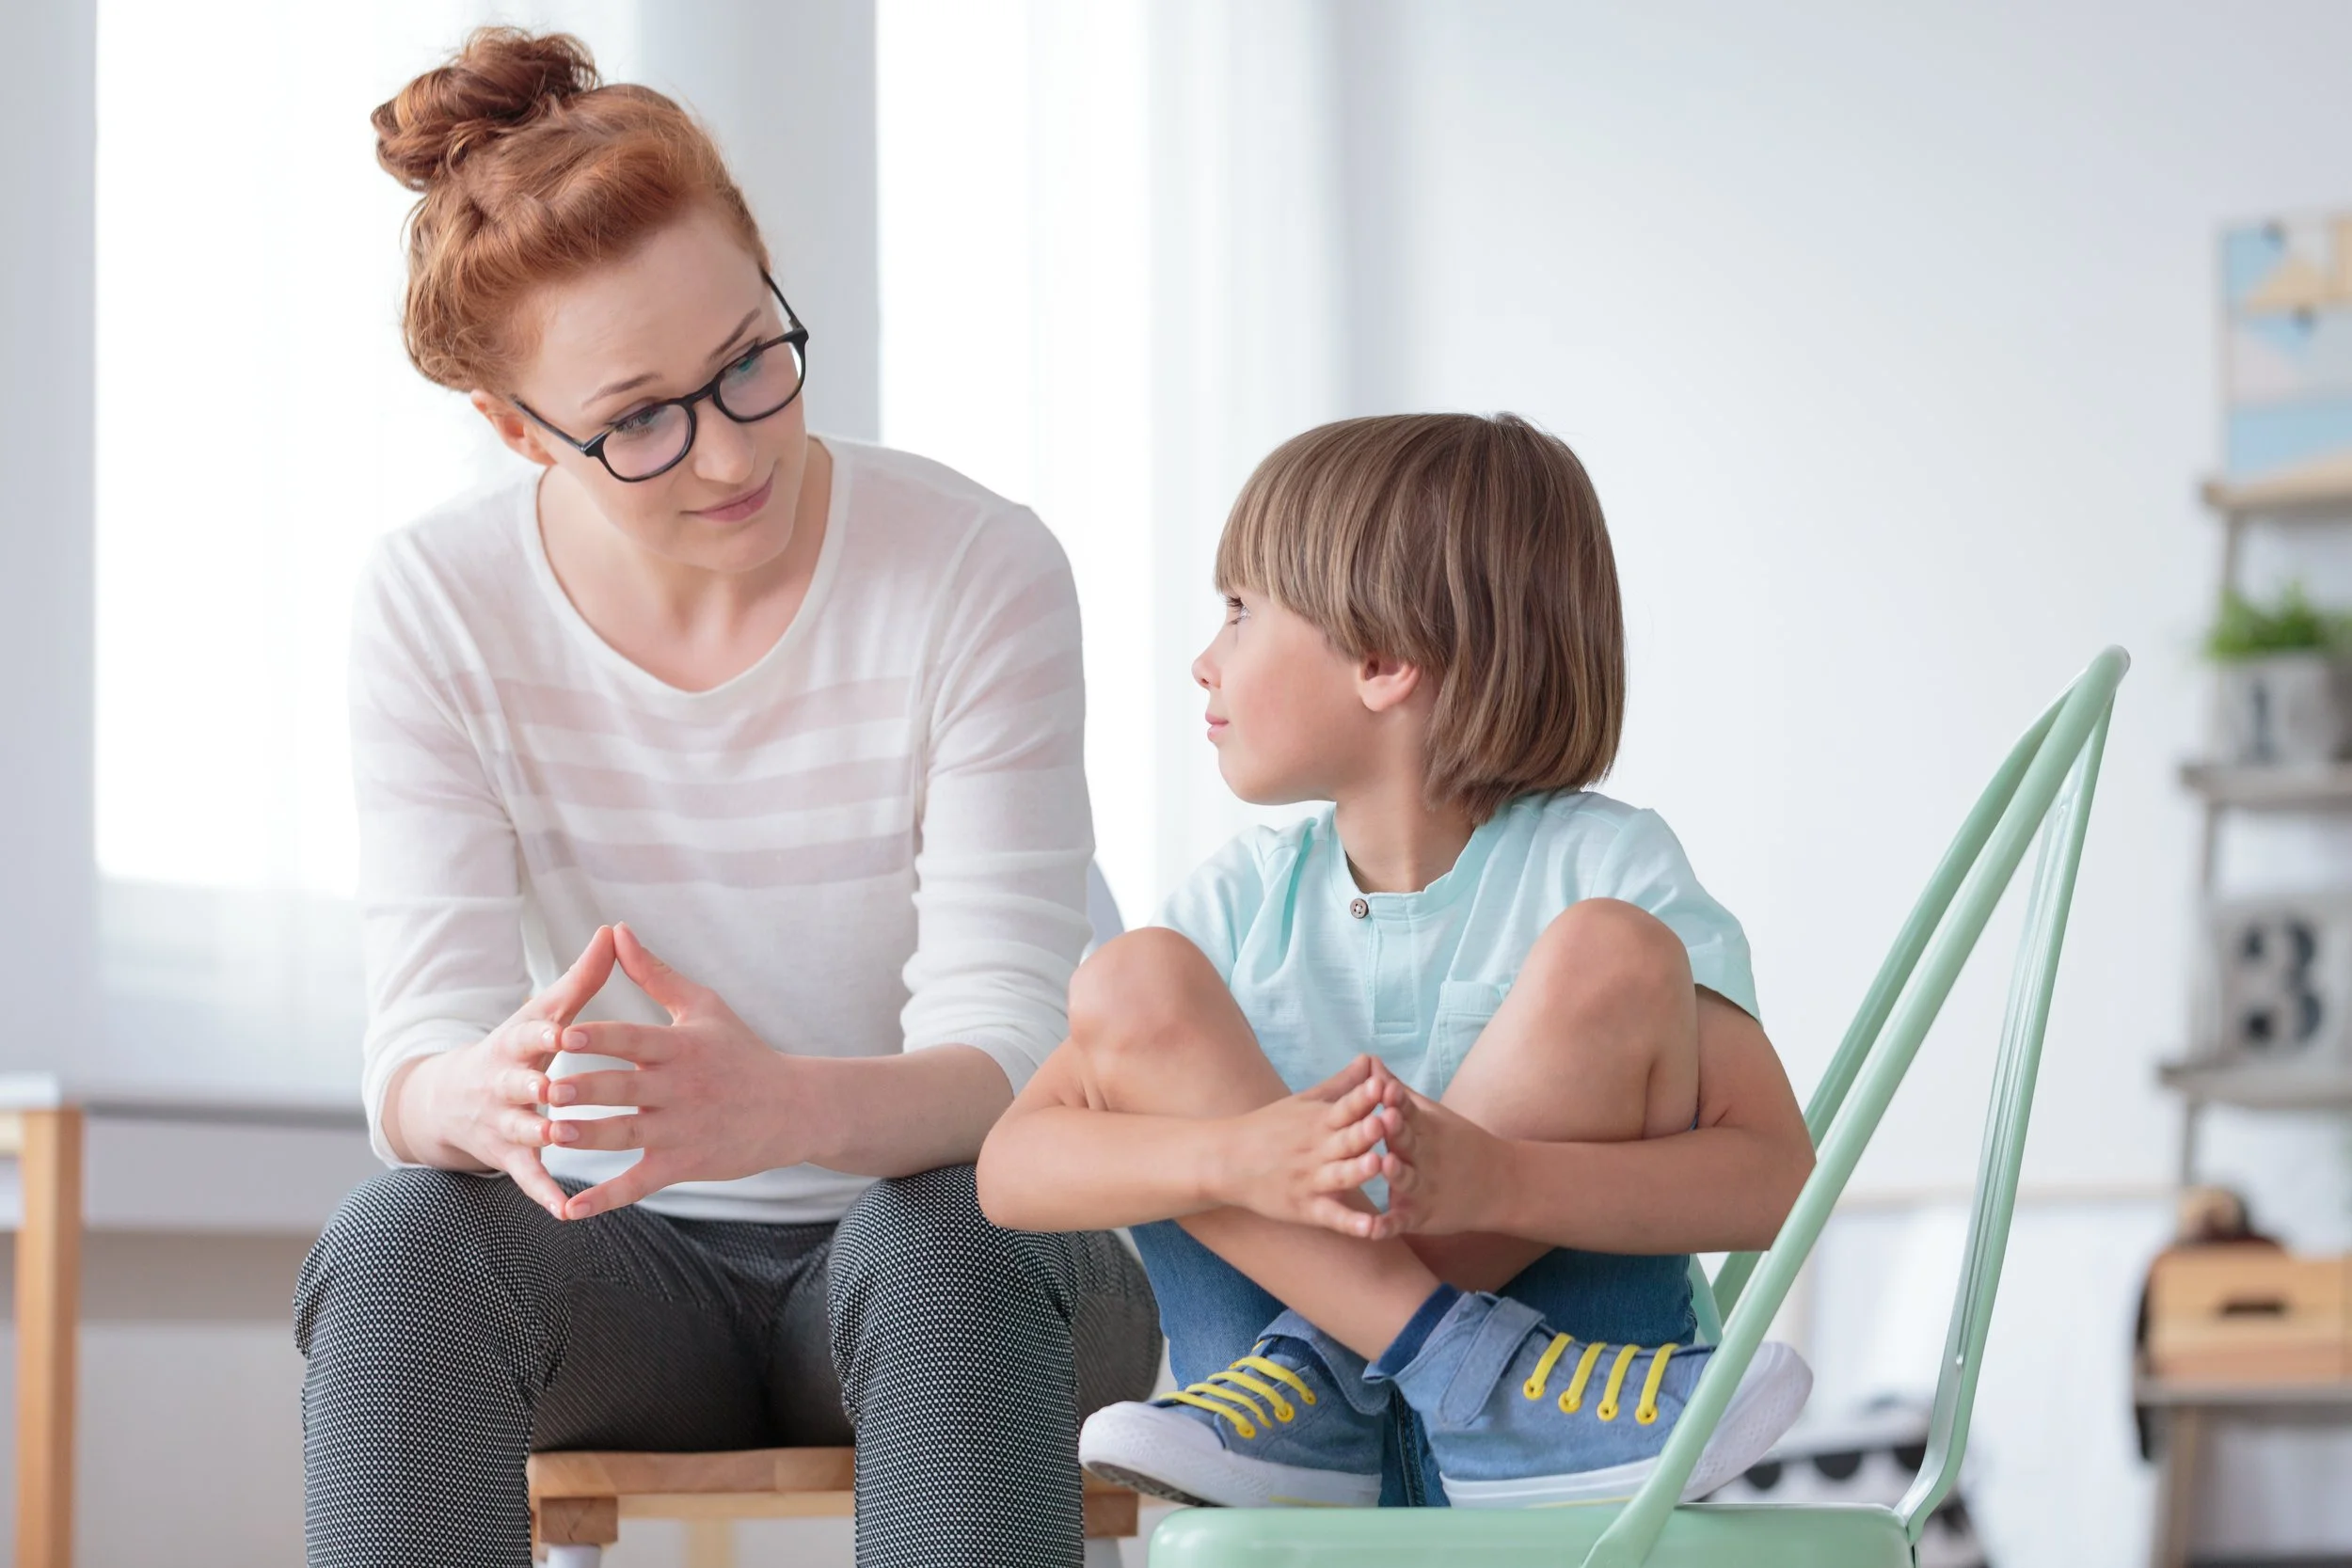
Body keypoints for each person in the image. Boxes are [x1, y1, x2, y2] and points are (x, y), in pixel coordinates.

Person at [292, 28, 1158, 1568]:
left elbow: (1014, 1058)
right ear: (516, 431)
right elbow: (409, 1062)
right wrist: (470, 1093)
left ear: (769, 280)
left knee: (946, 1225)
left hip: (958, 1253)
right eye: (640, 421)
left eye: (752, 359)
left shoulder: (975, 569)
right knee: (402, 1236)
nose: (733, 450)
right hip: (627, 1278)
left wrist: (784, 1109)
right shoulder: (437, 602)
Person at [977, 412, 1817, 1510]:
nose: (1205, 656)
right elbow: (1011, 1169)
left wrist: (1504, 1176)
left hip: (1586, 1441)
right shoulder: (1235, 907)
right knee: (1131, 978)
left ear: (1382, 660)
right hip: (1287, 1452)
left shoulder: (1607, 872)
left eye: (1240, 611)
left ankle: (1360, 1376)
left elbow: (1773, 1183)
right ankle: (1420, 1381)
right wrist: (1240, 1155)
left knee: (1609, 952)